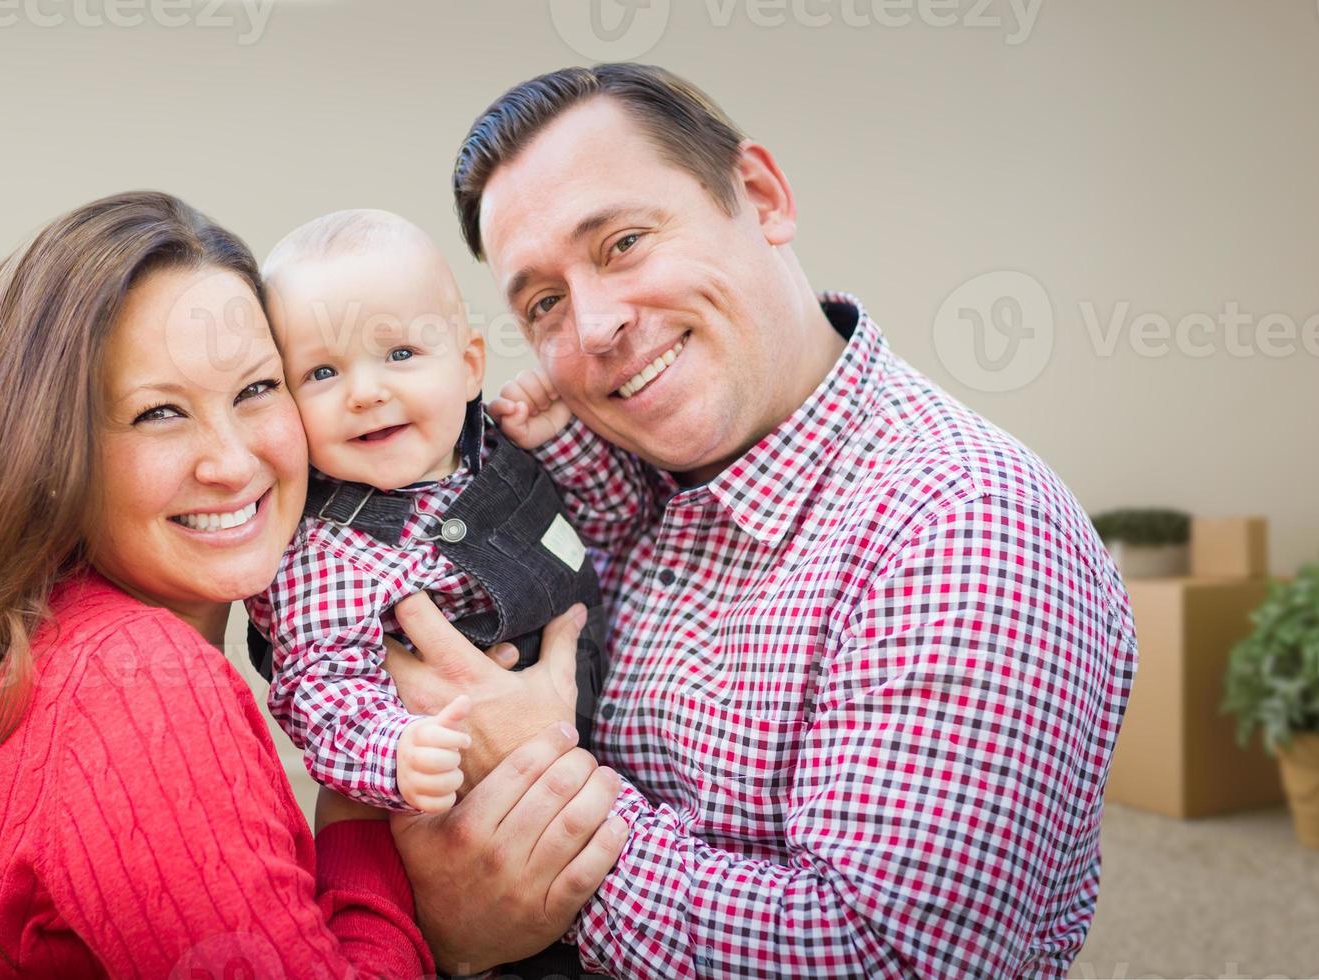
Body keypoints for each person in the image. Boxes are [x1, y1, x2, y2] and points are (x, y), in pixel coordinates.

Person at [392, 63, 1140, 977]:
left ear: (761, 195)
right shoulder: (611, 482)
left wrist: (535, 811)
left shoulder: (965, 524)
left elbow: (884, 960)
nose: (592, 327)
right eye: (543, 302)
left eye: (623, 242)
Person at [0, 190, 623, 979]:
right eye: (158, 413)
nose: (232, 463)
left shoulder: (64, 644)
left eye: (255, 390)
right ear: (53, 454)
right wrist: (430, 912)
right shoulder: (140, 681)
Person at [243, 208, 614, 821]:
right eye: (322, 372)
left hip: (612, 742)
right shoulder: (325, 552)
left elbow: (610, 529)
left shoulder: (499, 449)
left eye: (399, 353)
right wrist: (395, 752)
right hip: (471, 802)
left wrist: (559, 443)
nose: (365, 392)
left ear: (469, 365)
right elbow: (323, 693)